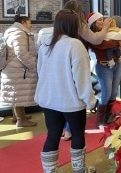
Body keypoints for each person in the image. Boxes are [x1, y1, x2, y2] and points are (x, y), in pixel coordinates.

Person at [35, 9, 97, 173]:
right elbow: (82, 78)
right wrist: (90, 101)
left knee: (53, 135)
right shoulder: (75, 45)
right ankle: (79, 170)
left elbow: (41, 72)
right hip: (71, 102)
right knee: (77, 135)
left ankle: (51, 171)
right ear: (74, 25)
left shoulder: (46, 44)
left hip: (49, 100)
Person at [86, 12, 121, 129]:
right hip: (103, 67)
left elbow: (117, 41)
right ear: (93, 23)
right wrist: (117, 42)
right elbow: (102, 45)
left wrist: (118, 43)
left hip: (116, 65)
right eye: (99, 20)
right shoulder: (93, 36)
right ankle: (99, 120)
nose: (102, 22)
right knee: (106, 94)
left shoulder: (108, 33)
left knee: (113, 93)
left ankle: (109, 117)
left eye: (103, 19)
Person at [0, 14, 37, 127]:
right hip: (17, 69)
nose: (30, 25)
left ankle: (18, 116)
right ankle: (21, 120)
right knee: (17, 94)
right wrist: (32, 65)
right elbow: (21, 52)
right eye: (29, 22)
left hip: (13, 68)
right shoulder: (19, 33)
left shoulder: (12, 31)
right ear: (23, 22)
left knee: (16, 94)